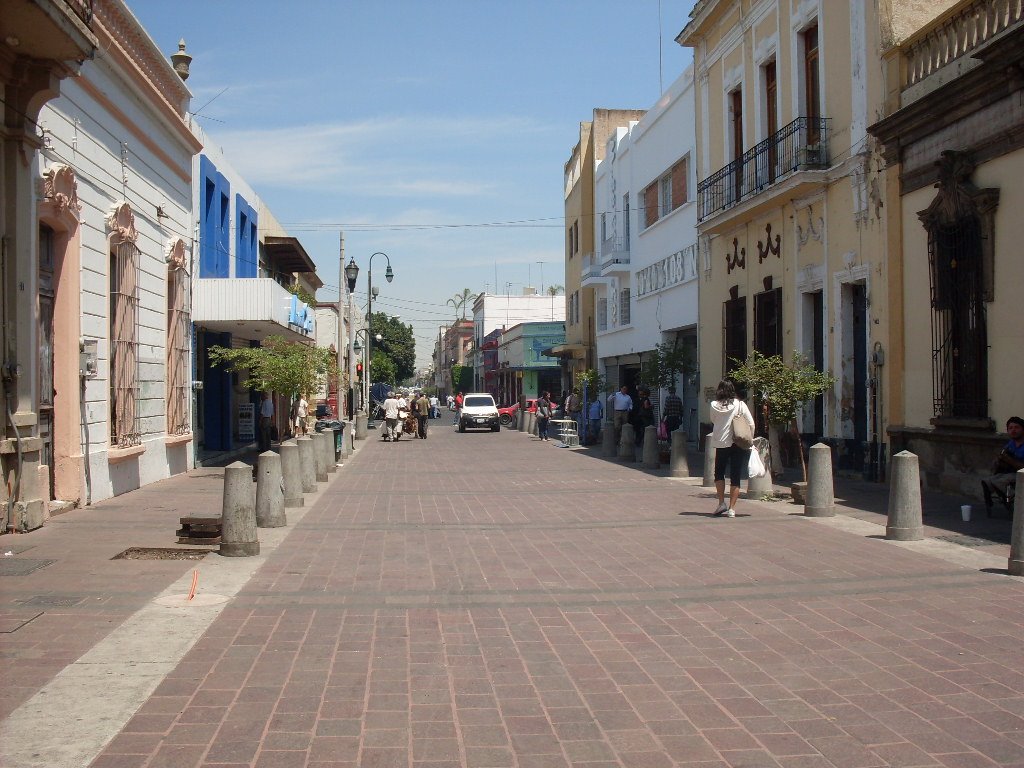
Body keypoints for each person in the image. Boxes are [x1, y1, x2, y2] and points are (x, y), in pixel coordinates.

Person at [708, 379, 755, 518]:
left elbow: (713, 420)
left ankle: (721, 502)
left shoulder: (714, 405)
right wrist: (749, 439)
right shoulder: (740, 404)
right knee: (735, 475)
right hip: (738, 442)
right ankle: (732, 509)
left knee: (719, 473)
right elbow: (751, 423)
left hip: (721, 442)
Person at [981, 416, 1024, 513]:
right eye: (1011, 428)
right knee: (987, 481)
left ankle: (1016, 500)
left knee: (999, 481)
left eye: (1017, 427)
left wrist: (1008, 460)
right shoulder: (1010, 444)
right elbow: (1002, 457)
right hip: (1010, 473)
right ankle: (993, 503)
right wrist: (998, 461)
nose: (1013, 430)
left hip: (1020, 474)